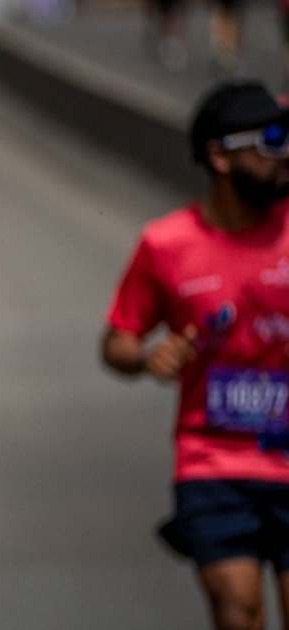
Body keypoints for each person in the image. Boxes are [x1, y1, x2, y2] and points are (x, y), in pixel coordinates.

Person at [102, 80, 289, 630]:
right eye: (273, 140)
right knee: (238, 612)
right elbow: (117, 339)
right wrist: (145, 359)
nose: (286, 156)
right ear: (220, 155)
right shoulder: (167, 244)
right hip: (212, 463)